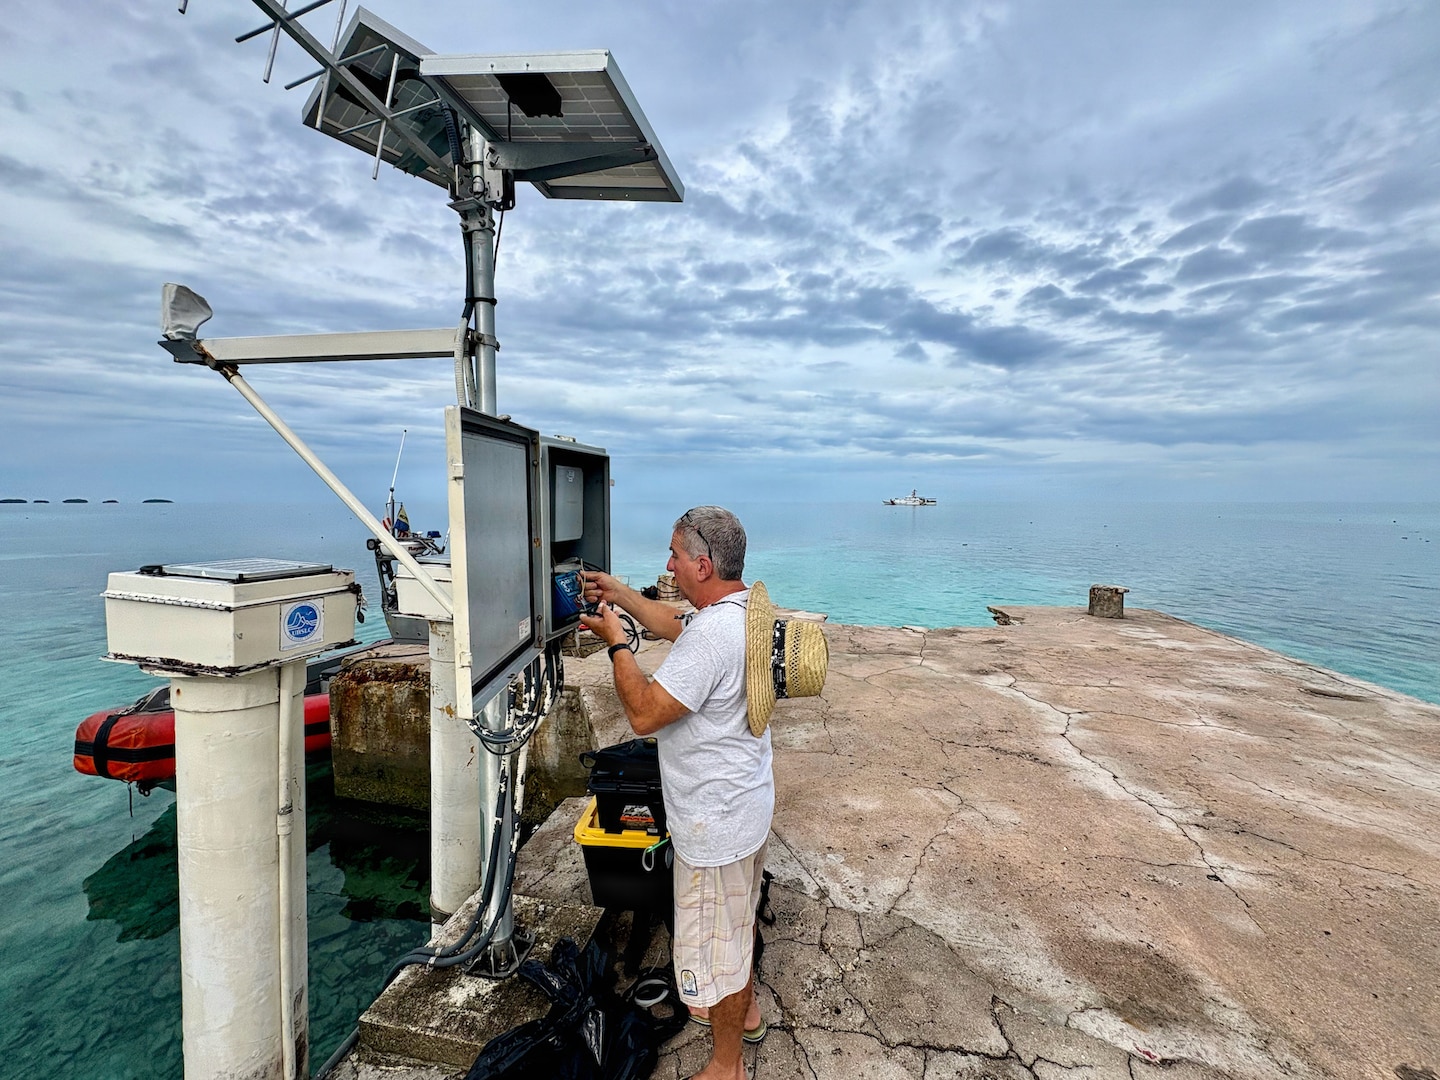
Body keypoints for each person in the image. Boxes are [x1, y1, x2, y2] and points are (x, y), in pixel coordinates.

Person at [580, 506, 771, 1080]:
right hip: (747, 807)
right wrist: (620, 593)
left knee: (721, 954)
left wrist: (617, 644)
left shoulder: (711, 639)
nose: (667, 564)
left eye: (675, 555)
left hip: (717, 826)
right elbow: (671, 622)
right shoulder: (739, 613)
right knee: (737, 926)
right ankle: (750, 1015)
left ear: (704, 564)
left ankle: (726, 1065)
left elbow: (643, 713)